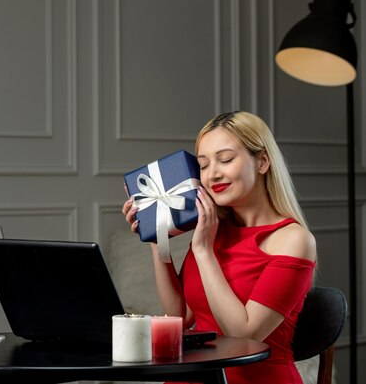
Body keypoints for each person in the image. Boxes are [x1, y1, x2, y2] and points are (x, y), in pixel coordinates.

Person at [122, 111, 316, 384]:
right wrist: (158, 241)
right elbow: (180, 317)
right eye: (203, 164)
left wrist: (204, 252)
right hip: (195, 375)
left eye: (225, 159)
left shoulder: (294, 240)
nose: (212, 174)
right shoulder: (215, 227)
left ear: (262, 161)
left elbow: (244, 335)